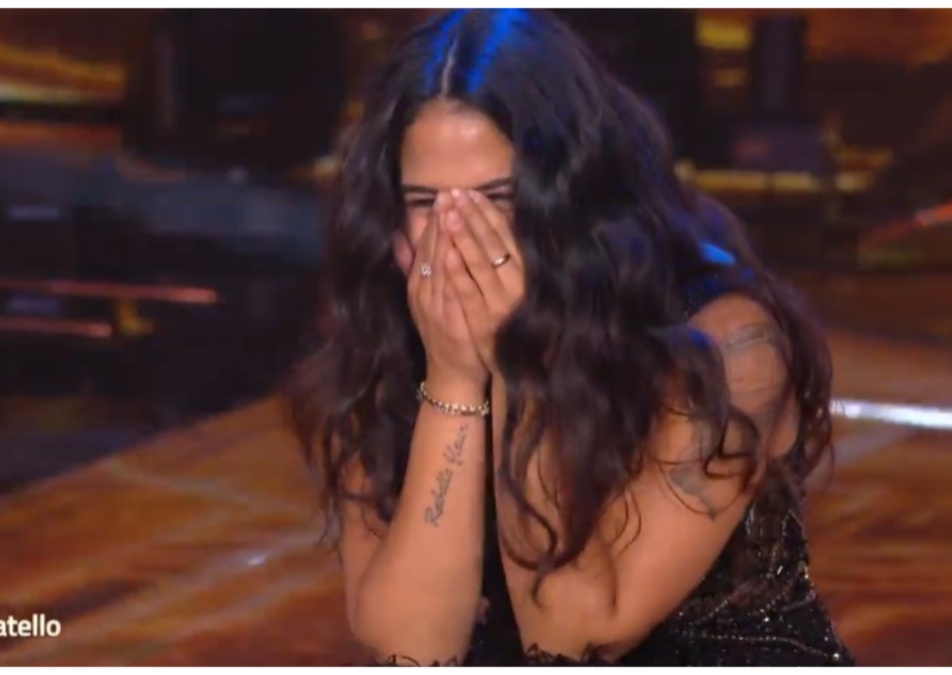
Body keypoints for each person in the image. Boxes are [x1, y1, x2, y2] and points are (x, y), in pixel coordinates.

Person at [285, 8, 853, 667]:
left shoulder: (725, 342)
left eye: (495, 198)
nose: (459, 237)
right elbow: (415, 650)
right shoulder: (390, 337)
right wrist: (455, 380)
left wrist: (515, 359)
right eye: (426, 203)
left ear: (570, 198)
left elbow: (570, 636)